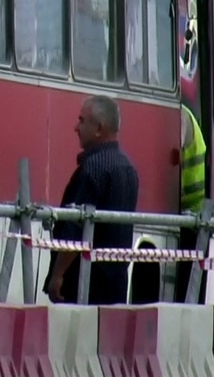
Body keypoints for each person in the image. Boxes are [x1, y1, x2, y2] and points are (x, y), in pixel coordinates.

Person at [43, 95, 139, 305]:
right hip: (115, 285)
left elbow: (76, 228)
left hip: (83, 285)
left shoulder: (92, 169)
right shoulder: (129, 169)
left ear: (99, 128)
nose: (76, 127)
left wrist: (58, 274)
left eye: (82, 120)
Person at [174, 103, 207, 303]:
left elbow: (173, 153)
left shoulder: (179, 115)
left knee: (187, 286)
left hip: (192, 214)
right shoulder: (184, 114)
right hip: (190, 211)